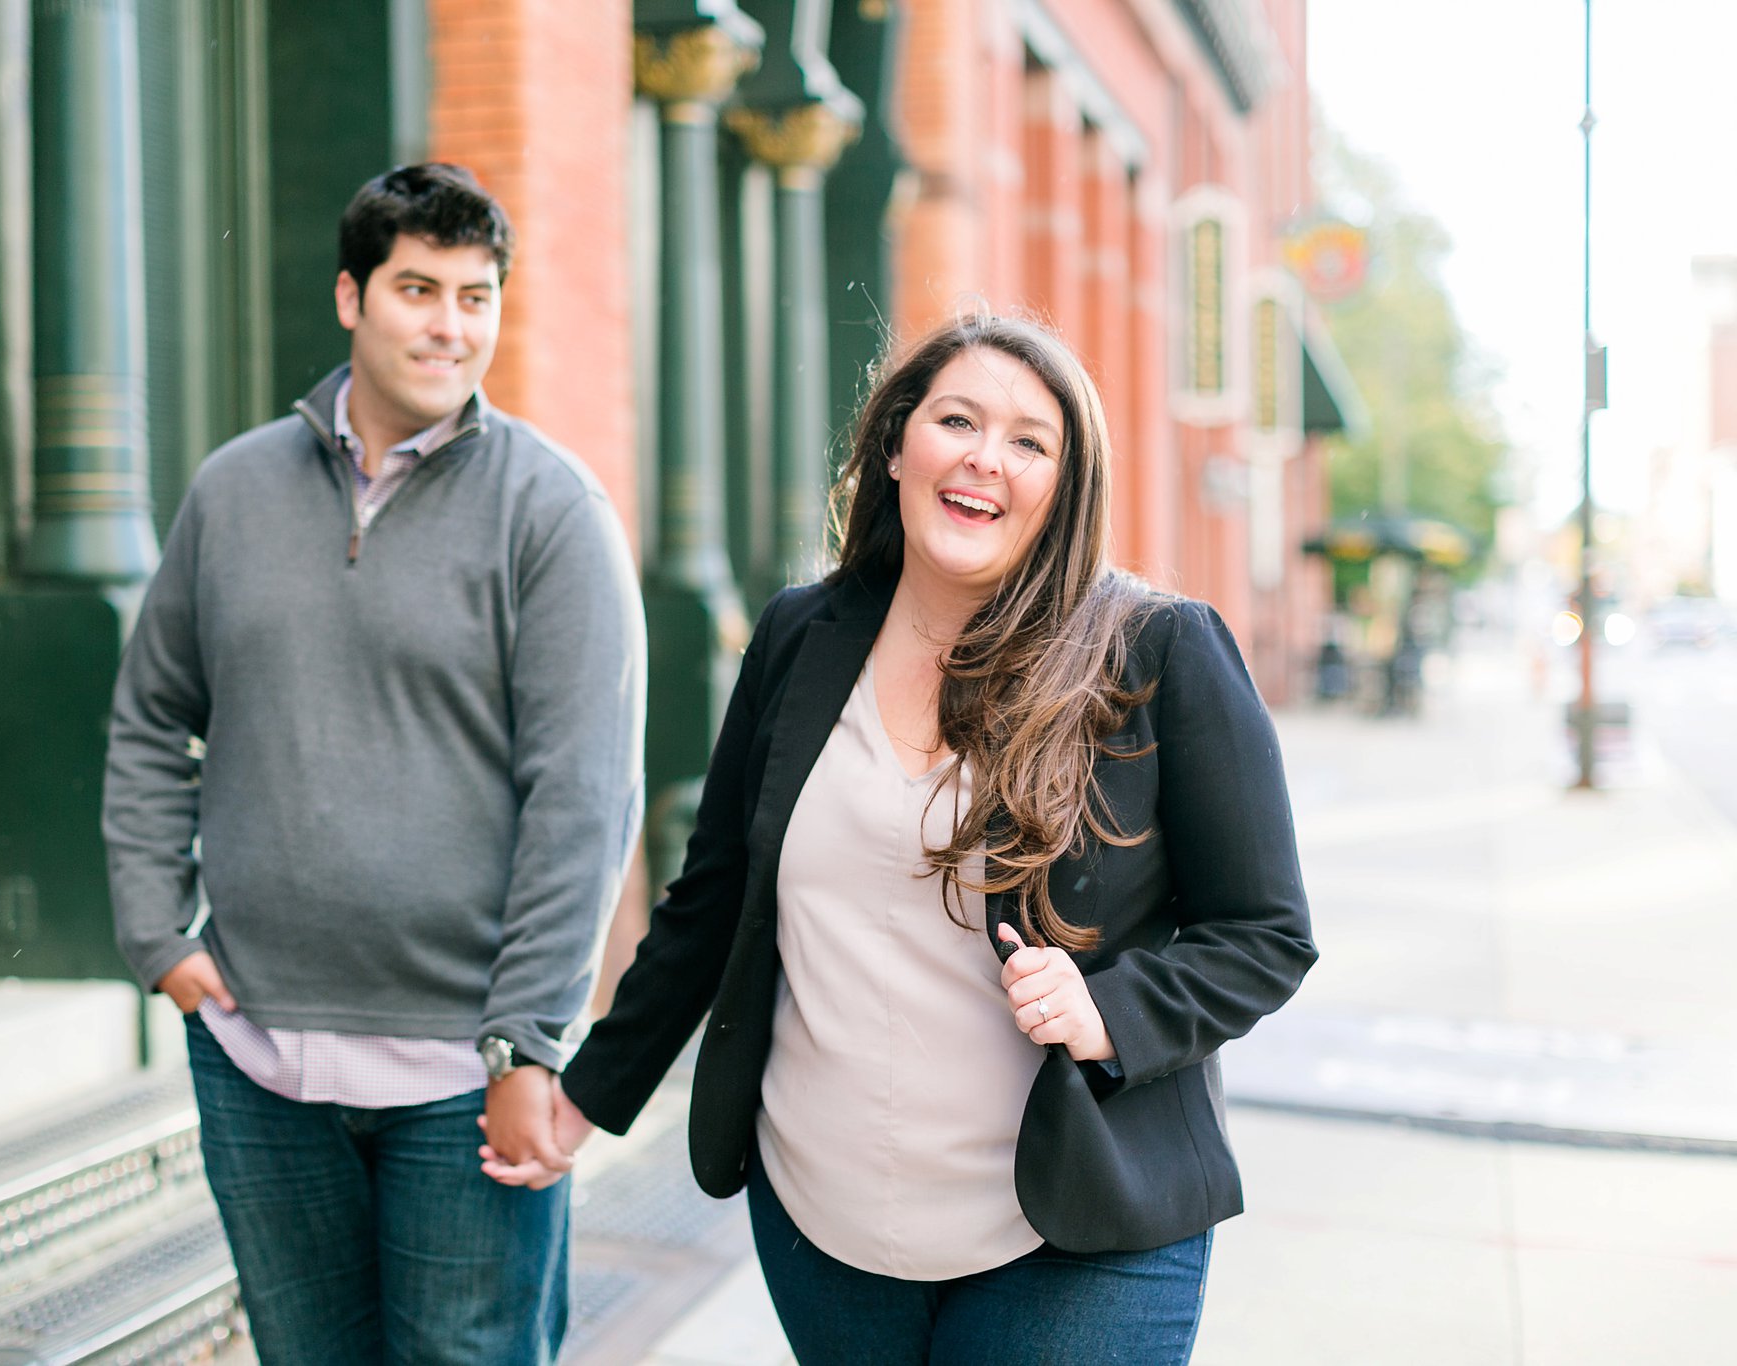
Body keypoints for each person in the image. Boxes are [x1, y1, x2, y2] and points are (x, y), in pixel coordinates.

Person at [486, 316, 1316, 1363]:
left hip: (1076, 1227)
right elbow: (712, 897)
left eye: (1027, 440)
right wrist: (583, 1098)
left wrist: (1108, 1008)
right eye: (955, 420)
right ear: (893, 447)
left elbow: (1265, 931)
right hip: (823, 1224)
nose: (982, 457)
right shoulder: (798, 635)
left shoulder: (1155, 651)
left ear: (1065, 486)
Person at [104, 162, 645, 1365]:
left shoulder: (552, 514)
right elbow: (150, 717)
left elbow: (583, 803)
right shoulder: (233, 491)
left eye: (475, 295)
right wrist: (160, 933)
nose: (450, 325)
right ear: (351, 296)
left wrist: (528, 1046)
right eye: (417, 289)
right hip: (256, 1052)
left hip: (461, 1073)